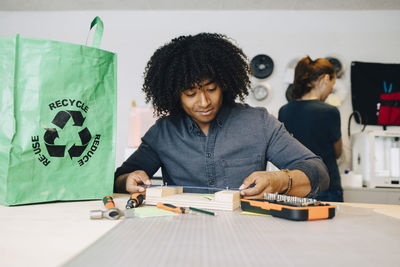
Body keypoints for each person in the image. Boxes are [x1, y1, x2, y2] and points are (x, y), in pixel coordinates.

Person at [114, 33, 329, 199]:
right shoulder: (162, 133)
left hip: (246, 237)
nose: (204, 102)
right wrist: (128, 180)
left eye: (211, 89)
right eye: (191, 94)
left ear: (224, 85)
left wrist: (281, 180)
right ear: (174, 95)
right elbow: (119, 178)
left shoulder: (258, 123)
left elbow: (318, 171)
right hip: (180, 236)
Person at [278, 56, 343, 202]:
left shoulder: (284, 111)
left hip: (295, 187)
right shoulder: (330, 111)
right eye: (332, 84)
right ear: (325, 78)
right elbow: (338, 152)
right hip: (326, 186)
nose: (331, 90)